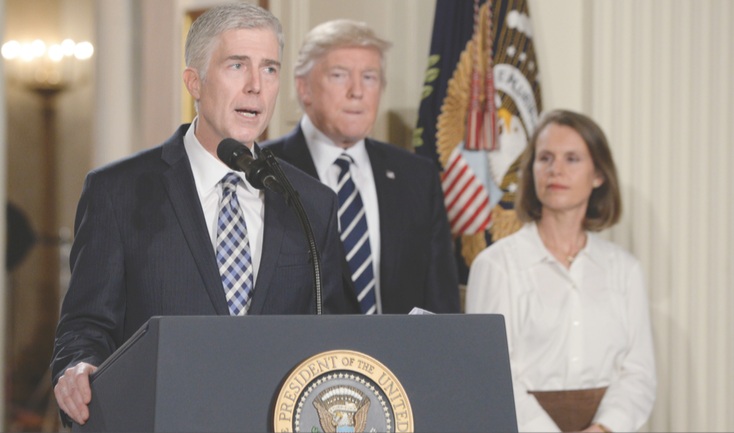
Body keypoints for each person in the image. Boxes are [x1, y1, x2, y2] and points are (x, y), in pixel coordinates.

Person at [51, 3, 358, 427]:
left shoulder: (311, 202)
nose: (256, 86)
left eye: (269, 69)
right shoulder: (117, 192)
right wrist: (80, 367)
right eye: (237, 65)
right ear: (194, 81)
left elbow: (337, 336)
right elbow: (85, 326)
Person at [465, 110, 656, 432]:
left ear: (598, 175)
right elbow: (489, 374)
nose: (556, 170)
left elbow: (639, 373)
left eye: (572, 159)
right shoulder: (497, 266)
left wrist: (605, 428)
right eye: (545, 158)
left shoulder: (624, 269)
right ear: (531, 171)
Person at [263, 20, 460, 315]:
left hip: (399, 358)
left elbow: (441, 301)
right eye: (340, 75)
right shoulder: (263, 170)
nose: (357, 91)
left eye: (369, 77)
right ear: (304, 88)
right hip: (304, 358)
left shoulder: (417, 176)